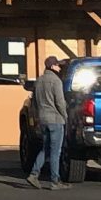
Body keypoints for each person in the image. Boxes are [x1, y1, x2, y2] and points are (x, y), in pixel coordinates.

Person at [26, 59, 69, 188]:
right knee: (56, 151)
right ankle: (55, 181)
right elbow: (60, 102)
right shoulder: (56, 81)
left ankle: (34, 174)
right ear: (52, 66)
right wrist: (65, 116)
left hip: (43, 119)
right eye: (57, 65)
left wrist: (37, 116)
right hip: (56, 119)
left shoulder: (39, 81)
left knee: (46, 149)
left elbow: (34, 101)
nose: (59, 68)